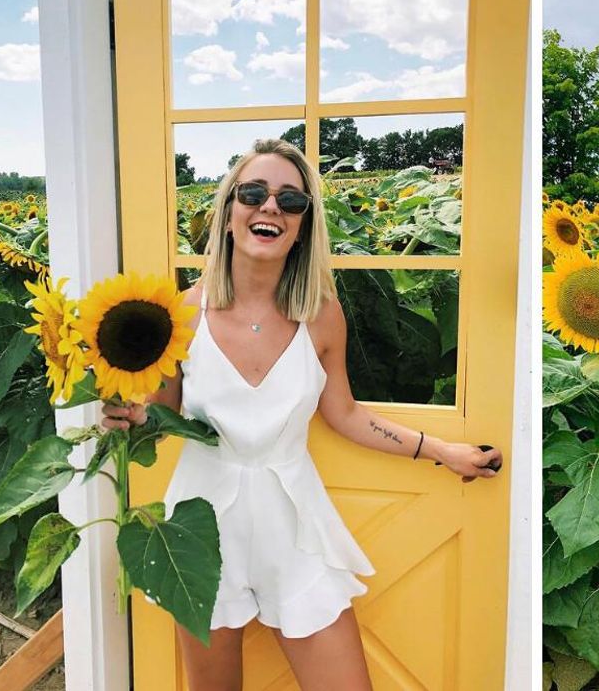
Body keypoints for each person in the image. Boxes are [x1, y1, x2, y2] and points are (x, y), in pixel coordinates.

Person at [101, 138, 502, 690]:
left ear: (304, 224)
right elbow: (162, 416)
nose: (270, 207)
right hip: (199, 532)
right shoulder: (181, 314)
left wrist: (441, 450)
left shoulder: (321, 316)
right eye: (254, 193)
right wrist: (129, 417)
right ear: (228, 211)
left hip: (294, 528)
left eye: (291, 201)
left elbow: (345, 413)